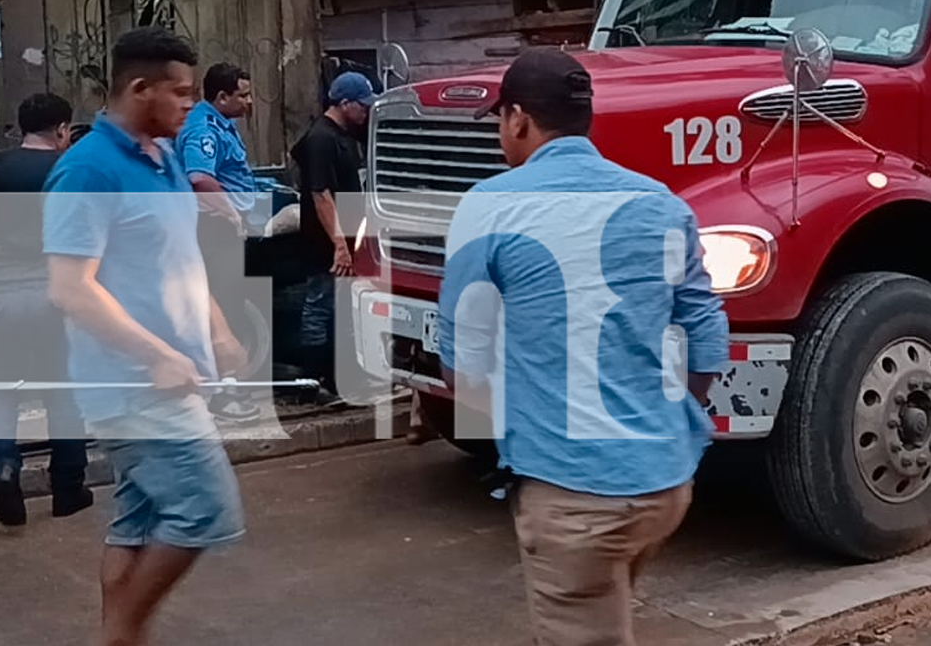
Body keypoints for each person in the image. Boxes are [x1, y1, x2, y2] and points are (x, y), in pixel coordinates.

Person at [434, 47, 730, 646]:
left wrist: (519, 430)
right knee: (608, 614)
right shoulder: (662, 205)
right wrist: (667, 415)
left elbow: (460, 360)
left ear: (517, 119)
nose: (501, 135)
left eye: (500, 121)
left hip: (574, 498)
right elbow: (706, 337)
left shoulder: (489, 205)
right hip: (665, 486)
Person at [43, 27, 248, 646]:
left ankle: (120, 635)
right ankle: (121, 635)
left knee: (137, 521)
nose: (193, 105)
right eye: (182, 94)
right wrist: (157, 355)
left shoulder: (165, 158)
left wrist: (218, 330)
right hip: (134, 387)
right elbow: (70, 287)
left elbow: (177, 259)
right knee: (206, 509)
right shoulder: (85, 170)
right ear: (139, 89)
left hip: (166, 379)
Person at [0, 91, 92, 527]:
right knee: (62, 391)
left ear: (21, 128)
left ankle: (5, 469)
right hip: (56, 297)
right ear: (63, 130)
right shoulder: (70, 168)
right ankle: (67, 488)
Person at [175, 62, 260, 424]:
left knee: (228, 307)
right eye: (243, 95)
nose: (249, 101)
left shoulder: (221, 124)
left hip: (222, 229)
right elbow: (200, 178)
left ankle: (224, 387)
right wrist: (231, 214)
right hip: (213, 231)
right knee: (223, 308)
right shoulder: (203, 128)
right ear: (221, 97)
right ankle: (222, 392)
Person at [290, 70, 373, 399]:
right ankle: (312, 381)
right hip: (325, 243)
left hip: (345, 240)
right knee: (320, 306)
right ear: (345, 103)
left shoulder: (342, 135)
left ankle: (338, 379)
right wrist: (339, 244)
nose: (366, 112)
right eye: (362, 105)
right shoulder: (322, 138)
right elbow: (320, 194)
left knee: (341, 308)